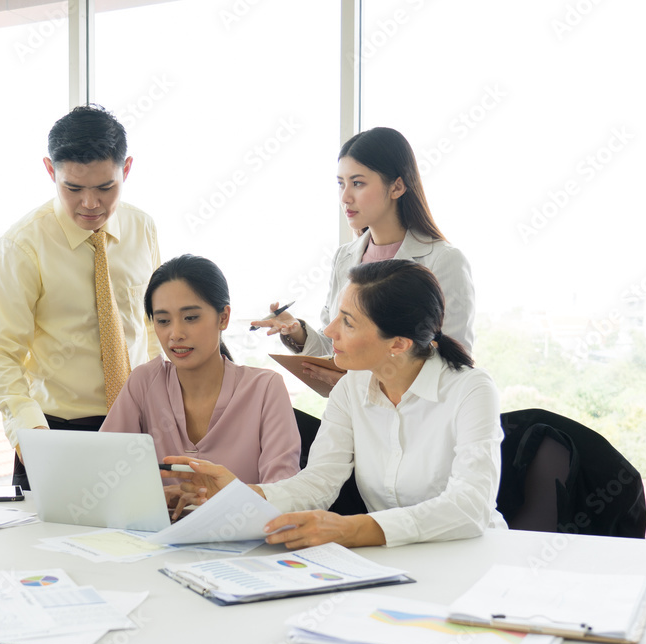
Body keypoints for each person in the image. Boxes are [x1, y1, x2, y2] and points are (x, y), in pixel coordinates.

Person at [166, 259, 506, 548]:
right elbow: (319, 483)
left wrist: (352, 529)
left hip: (474, 557)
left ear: (399, 344)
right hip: (398, 559)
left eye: (347, 321)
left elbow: (469, 506)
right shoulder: (351, 389)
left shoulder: (471, 389)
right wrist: (241, 494)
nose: (329, 330)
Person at [0, 105, 161, 489]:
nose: (90, 204)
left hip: (139, 432)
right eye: (73, 188)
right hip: (57, 434)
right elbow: (0, 354)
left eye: (105, 187)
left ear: (125, 170)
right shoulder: (21, 246)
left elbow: (153, 328)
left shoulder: (142, 228)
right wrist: (32, 434)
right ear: (51, 171)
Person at [252, 127, 475, 389]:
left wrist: (357, 386)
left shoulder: (444, 260)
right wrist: (298, 332)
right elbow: (335, 347)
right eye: (340, 183)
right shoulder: (344, 257)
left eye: (358, 183)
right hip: (352, 418)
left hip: (414, 420)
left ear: (397, 186)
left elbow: (453, 365)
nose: (345, 197)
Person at [101, 255, 300, 487]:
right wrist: (162, 500)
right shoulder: (144, 382)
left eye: (191, 317)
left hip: (246, 523)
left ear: (223, 318)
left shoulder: (265, 388)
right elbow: (102, 474)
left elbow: (282, 493)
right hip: (163, 524)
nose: (175, 333)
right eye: (163, 321)